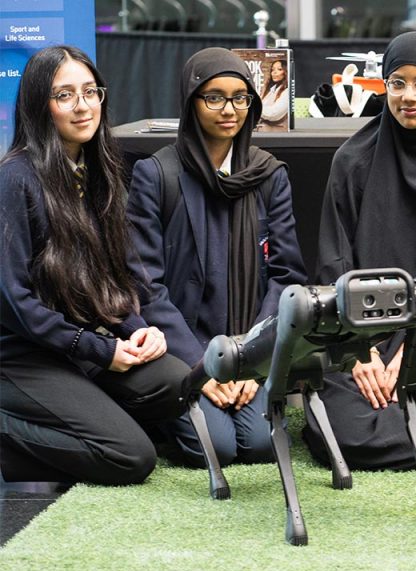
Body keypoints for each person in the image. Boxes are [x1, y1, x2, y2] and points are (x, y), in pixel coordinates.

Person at [0, 46, 193, 485]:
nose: (83, 106)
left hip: (70, 347)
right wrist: (101, 351)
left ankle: (83, 413)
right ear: (39, 104)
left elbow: (108, 276)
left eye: (90, 92)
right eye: (64, 95)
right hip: (20, 355)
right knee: (130, 457)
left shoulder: (95, 172)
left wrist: (137, 330)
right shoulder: (14, 178)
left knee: (175, 381)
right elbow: (13, 302)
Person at [302, 32, 416, 471]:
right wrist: (359, 350)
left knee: (409, 441)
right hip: (349, 326)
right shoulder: (351, 160)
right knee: (344, 437)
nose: (409, 96)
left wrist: (412, 350)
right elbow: (333, 259)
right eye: (397, 83)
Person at [127, 47, 306, 468]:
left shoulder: (268, 175)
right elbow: (146, 286)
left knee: (260, 444)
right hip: (185, 348)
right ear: (191, 102)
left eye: (240, 98)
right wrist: (202, 365)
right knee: (218, 448)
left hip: (250, 344)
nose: (229, 110)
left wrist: (253, 360)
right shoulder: (157, 175)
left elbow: (286, 276)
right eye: (215, 98)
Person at [259, 59, 288, 130]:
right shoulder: (271, 90)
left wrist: (254, 108)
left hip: (277, 133)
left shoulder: (287, 92)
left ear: (286, 72)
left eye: (279, 69)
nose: (274, 72)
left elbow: (273, 113)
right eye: (272, 70)